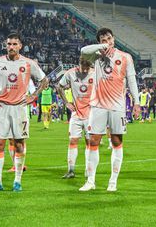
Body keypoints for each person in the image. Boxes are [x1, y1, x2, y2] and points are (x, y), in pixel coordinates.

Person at [0, 32, 48, 192]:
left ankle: (17, 181)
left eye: (14, 44)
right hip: (1, 107)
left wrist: (34, 96)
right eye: (9, 44)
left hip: (20, 108)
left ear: (20, 46)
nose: (11, 47)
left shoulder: (29, 63)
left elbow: (44, 80)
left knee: (19, 144)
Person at [78, 27, 140, 192]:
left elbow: (132, 80)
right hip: (97, 105)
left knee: (116, 142)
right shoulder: (96, 56)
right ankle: (90, 181)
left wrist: (137, 103)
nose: (107, 42)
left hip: (117, 106)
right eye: (103, 40)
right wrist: (100, 48)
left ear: (114, 39)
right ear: (99, 42)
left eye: (109, 38)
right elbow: (83, 51)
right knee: (93, 141)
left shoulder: (125, 57)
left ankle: (113, 182)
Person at [57, 56, 94, 179]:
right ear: (79, 64)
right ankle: (71, 170)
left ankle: (89, 170)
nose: (85, 71)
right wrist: (66, 102)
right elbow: (59, 86)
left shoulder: (95, 73)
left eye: (87, 68)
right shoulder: (71, 73)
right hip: (76, 114)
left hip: (91, 114)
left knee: (89, 142)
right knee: (73, 141)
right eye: (83, 68)